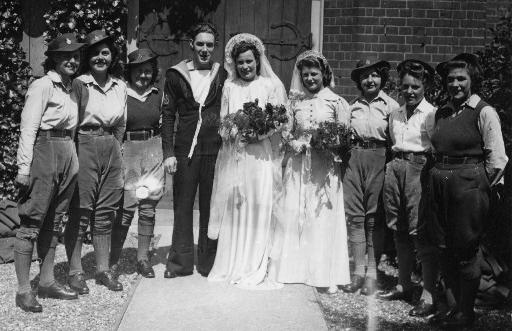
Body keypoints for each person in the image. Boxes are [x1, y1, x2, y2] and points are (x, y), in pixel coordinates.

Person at [420, 53, 507, 328]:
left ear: (472, 80)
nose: (455, 84)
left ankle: (466, 312)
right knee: (443, 247)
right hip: (439, 186)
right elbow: (433, 147)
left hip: (468, 188)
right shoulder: (440, 113)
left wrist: (476, 185)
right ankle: (453, 307)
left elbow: (498, 160)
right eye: (450, 79)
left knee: (466, 249)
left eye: (461, 78)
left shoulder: (484, 112)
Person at [206, 33, 287, 288]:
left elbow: (279, 121)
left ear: (258, 60)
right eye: (240, 62)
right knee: (237, 206)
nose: (245, 67)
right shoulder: (230, 87)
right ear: (234, 63)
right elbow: (222, 121)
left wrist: (257, 133)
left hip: (260, 155)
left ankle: (254, 263)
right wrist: (232, 132)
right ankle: (234, 262)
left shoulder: (270, 86)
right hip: (236, 155)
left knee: (257, 205)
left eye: (249, 61)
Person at [268, 50, 351, 293]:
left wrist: (329, 143)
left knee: (321, 216)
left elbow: (344, 137)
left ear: (324, 74)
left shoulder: (337, 103)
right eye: (305, 75)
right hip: (298, 167)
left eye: (314, 74)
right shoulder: (296, 104)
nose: (310, 79)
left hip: (323, 168)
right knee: (296, 213)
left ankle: (323, 273)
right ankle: (295, 270)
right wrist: (294, 143)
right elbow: (286, 133)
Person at [14, 33, 85, 312]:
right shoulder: (42, 85)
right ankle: (23, 290)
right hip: (45, 148)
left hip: (67, 149)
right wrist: (23, 167)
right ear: (53, 59)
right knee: (32, 220)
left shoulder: (73, 88)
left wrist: (73, 160)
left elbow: (73, 127)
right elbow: (28, 126)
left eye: (76, 56)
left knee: (55, 221)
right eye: (65, 55)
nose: (72, 60)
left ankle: (46, 281)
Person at [161, 22, 226, 278]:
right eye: (200, 44)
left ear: (215, 47)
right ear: (191, 45)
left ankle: (209, 263)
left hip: (214, 150)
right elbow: (167, 115)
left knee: (211, 208)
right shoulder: (176, 75)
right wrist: (168, 153)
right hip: (185, 149)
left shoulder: (222, 75)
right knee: (183, 206)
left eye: (209, 45)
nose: (204, 49)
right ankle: (180, 263)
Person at [65, 30, 127, 293]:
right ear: (87, 57)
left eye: (105, 52)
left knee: (105, 212)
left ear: (112, 57)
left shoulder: (120, 85)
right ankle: (75, 272)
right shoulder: (79, 84)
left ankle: (102, 270)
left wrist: (116, 149)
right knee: (81, 211)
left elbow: (121, 123)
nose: (100, 57)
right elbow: (70, 122)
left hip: (111, 145)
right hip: (85, 143)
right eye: (95, 53)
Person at [375, 60, 437, 315]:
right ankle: (403, 284)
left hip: (418, 168)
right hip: (395, 168)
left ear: (425, 87)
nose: (410, 91)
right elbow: (393, 141)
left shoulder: (431, 114)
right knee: (398, 228)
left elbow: (435, 147)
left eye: (416, 86)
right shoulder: (396, 113)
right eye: (405, 87)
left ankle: (429, 294)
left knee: (419, 231)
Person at [341, 59, 399, 295]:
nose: (370, 80)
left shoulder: (391, 106)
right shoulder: (351, 106)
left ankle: (372, 275)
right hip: (354, 158)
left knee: (373, 218)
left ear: (382, 78)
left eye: (374, 75)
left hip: (380, 156)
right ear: (358, 81)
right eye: (364, 76)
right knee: (355, 217)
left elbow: (397, 140)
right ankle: (357, 273)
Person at [109, 48, 164, 278]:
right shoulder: (122, 93)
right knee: (126, 207)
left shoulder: (157, 94)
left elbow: (164, 123)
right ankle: (112, 261)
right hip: (129, 150)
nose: (144, 76)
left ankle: (142, 259)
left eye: (148, 72)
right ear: (130, 72)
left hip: (153, 149)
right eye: (139, 71)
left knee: (148, 206)